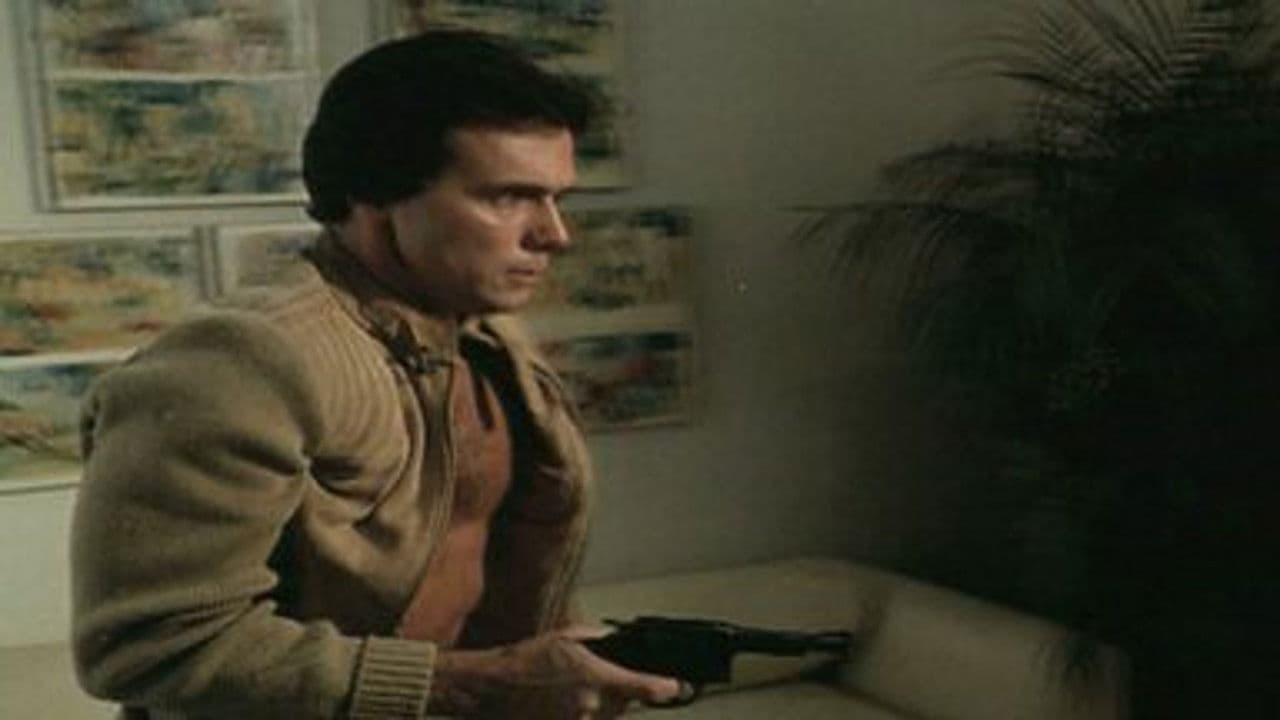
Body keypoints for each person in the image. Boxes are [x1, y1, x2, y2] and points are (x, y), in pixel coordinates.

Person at [70, 29, 680, 719]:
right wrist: (481, 683)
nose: (554, 234)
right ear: (376, 195)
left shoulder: (487, 335)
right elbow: (148, 645)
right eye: (508, 197)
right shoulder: (245, 359)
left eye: (555, 198)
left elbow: (506, 569)